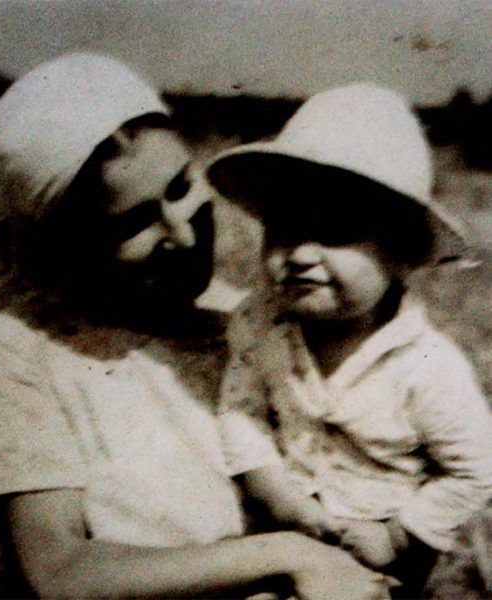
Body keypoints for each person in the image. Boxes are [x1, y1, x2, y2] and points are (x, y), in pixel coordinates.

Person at [0, 54, 389, 599]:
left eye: (181, 187)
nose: (181, 235)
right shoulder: (21, 352)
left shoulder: (263, 322)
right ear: (67, 247)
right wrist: (288, 556)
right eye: (134, 222)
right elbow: (59, 572)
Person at [206, 83, 492, 598]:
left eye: (335, 230)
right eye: (283, 229)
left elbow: (475, 470)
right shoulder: (261, 324)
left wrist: (399, 534)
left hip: (380, 563)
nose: (298, 254)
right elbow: (240, 407)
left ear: (401, 251)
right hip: (276, 536)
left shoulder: (426, 366)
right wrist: (273, 489)